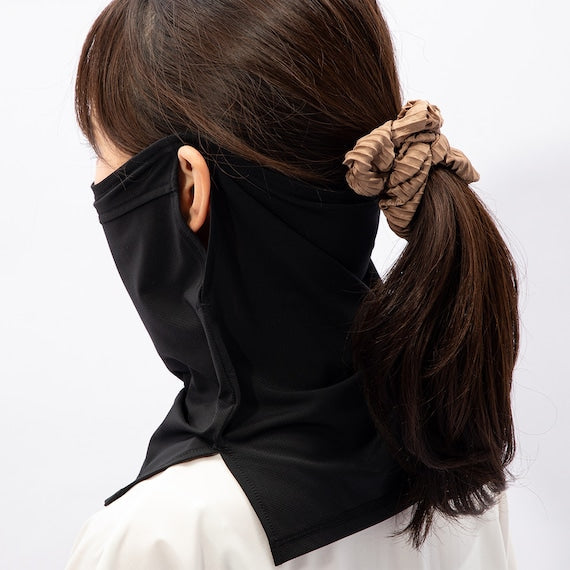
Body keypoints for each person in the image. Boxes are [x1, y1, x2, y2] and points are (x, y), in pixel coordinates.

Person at [65, 0, 519, 568]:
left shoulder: (160, 538)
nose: (97, 178)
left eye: (102, 153)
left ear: (188, 188)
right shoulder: (458, 454)